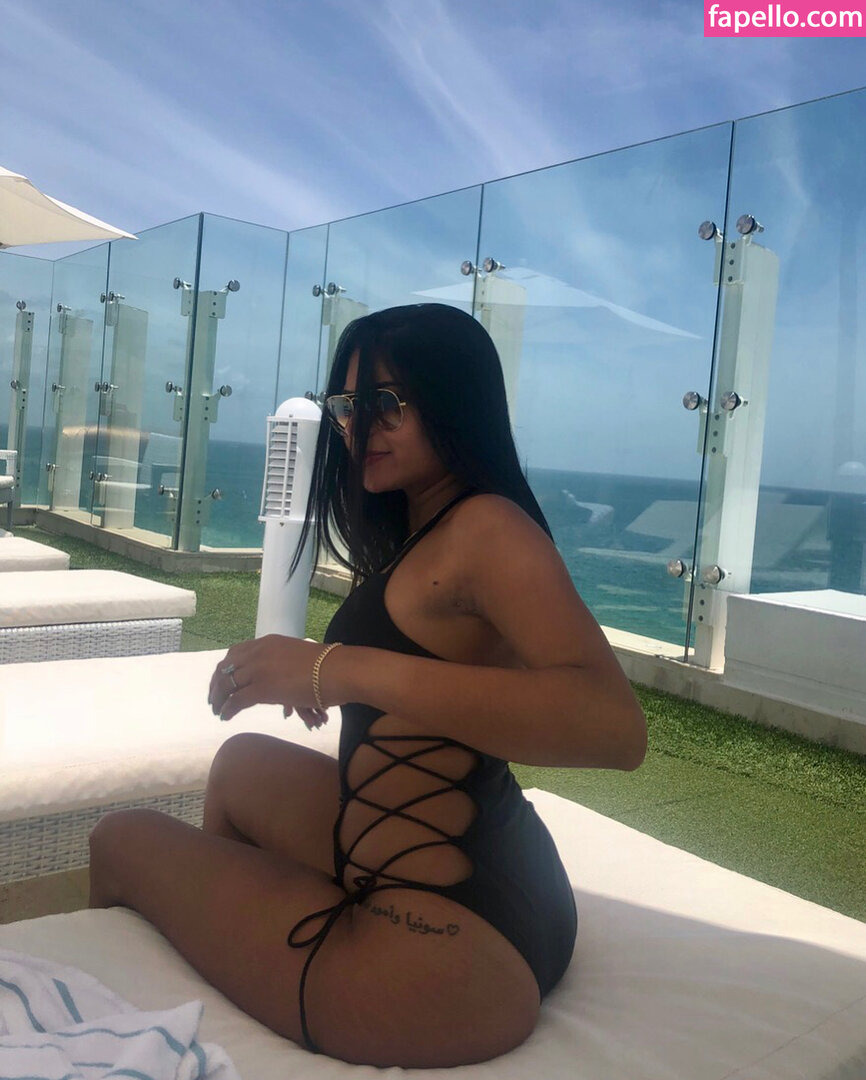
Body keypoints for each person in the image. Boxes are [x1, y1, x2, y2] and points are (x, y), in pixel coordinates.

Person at [88, 303, 647, 1068]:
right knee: (241, 766)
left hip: (445, 956)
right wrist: (334, 671)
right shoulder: (431, 523)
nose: (358, 427)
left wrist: (338, 670)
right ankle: (241, 951)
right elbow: (443, 662)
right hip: (498, 881)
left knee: (118, 841)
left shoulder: (488, 527)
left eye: (387, 402)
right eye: (348, 406)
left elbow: (613, 727)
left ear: (454, 402)